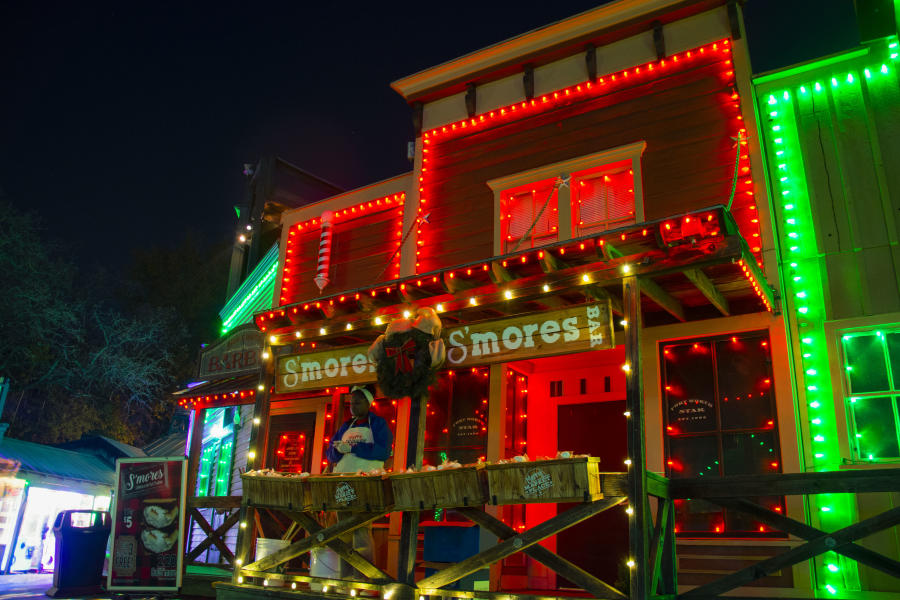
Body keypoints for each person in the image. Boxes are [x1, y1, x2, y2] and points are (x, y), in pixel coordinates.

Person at [324, 385, 392, 579]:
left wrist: (353, 447)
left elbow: (383, 451)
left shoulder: (379, 424)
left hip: (366, 484)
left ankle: (362, 579)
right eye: (351, 402)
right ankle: (345, 579)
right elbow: (330, 453)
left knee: (361, 530)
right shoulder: (346, 426)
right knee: (343, 530)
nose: (353, 406)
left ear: (368, 403)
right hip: (343, 482)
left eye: (357, 402)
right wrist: (338, 450)